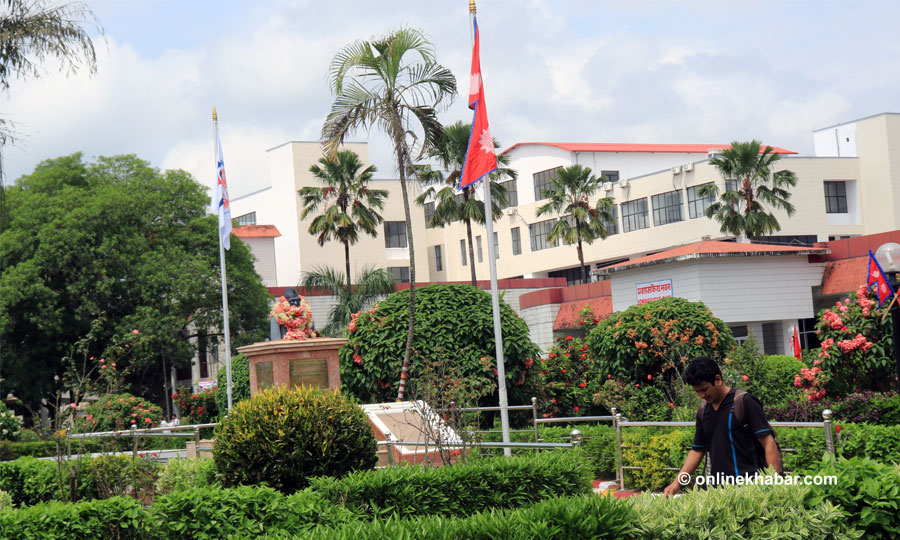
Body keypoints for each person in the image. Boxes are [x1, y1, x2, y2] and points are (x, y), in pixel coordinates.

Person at [663, 356, 782, 497]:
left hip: (751, 490)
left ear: (718, 379)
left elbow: (768, 442)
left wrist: (774, 483)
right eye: (697, 392)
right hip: (718, 493)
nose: (701, 395)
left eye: (704, 389)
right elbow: (697, 451)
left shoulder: (745, 402)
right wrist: (676, 483)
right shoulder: (703, 411)